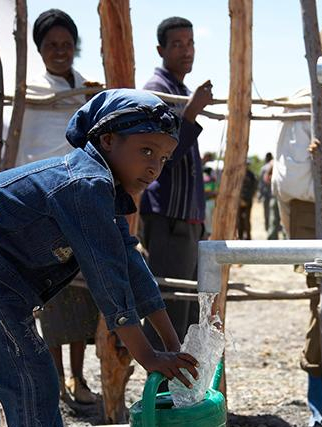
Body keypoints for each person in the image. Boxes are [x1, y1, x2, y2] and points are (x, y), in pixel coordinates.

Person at [0, 89, 199, 427]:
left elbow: (131, 266)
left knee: (35, 378)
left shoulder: (102, 190)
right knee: (30, 379)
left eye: (164, 157)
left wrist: (173, 343)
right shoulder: (85, 185)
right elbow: (109, 284)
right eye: (146, 150)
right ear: (107, 141)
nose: (154, 165)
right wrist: (149, 356)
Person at [20, 9, 100, 404]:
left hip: (78, 197)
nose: (60, 51)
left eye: (66, 44)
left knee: (82, 290)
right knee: (51, 290)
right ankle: (54, 378)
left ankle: (78, 378)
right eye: (51, 45)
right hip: (43, 200)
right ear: (39, 49)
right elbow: (27, 147)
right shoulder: (31, 90)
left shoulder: (86, 88)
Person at [140, 16, 213, 348]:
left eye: (191, 43)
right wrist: (191, 114)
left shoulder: (181, 91)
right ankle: (163, 391)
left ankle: (176, 393)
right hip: (169, 218)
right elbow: (162, 152)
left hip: (187, 219)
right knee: (168, 309)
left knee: (185, 310)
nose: (187, 51)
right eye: (178, 44)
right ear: (161, 50)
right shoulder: (157, 92)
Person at [272, 89, 322, 427]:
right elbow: (293, 180)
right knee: (321, 302)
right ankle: (319, 403)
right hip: (311, 208)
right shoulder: (304, 103)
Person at [259, 152, 282, 240]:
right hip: (276, 195)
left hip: (270, 195)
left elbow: (262, 182)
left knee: (270, 217)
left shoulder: (266, 167)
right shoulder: (276, 165)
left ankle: (272, 236)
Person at [237, 165, 258, 240]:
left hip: (248, 200)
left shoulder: (251, 175)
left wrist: (246, 199)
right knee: (239, 220)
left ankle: (248, 237)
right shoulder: (238, 174)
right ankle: (240, 236)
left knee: (246, 219)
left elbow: (254, 188)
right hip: (239, 201)